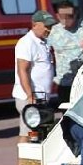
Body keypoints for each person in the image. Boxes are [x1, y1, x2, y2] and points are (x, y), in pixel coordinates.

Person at [13, 11, 57, 143]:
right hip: (31, 98)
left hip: (41, 98)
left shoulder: (44, 42)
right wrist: (29, 95)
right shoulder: (27, 43)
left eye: (50, 26)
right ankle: (23, 163)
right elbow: (23, 70)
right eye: (46, 26)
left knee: (40, 135)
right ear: (34, 25)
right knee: (27, 133)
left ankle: (37, 163)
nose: (49, 29)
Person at [47, 0, 83, 104]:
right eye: (63, 16)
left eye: (69, 16)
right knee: (67, 116)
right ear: (57, 16)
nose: (66, 19)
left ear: (75, 14)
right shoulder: (54, 31)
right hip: (65, 83)